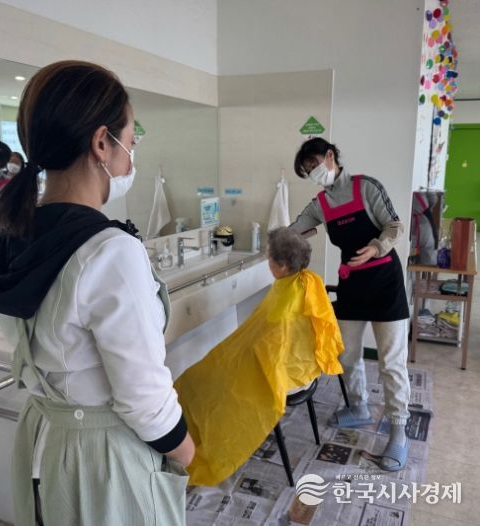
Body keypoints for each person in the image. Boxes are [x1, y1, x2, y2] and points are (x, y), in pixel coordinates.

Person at [0, 61, 194, 526]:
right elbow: (144, 399)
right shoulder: (110, 252)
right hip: (101, 460)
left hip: (42, 440)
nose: (130, 157)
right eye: (130, 142)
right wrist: (186, 450)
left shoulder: (16, 237)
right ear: (101, 143)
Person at [174, 228, 343, 486]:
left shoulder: (285, 304)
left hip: (286, 372)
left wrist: (236, 357)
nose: (267, 261)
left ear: (282, 266)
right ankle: (190, 434)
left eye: (269, 257)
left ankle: (201, 444)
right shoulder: (308, 281)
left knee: (200, 380)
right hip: (303, 364)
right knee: (206, 371)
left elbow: (271, 352)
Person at [289, 137, 411, 472]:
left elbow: (394, 225)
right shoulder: (321, 203)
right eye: (308, 170)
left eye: (314, 165)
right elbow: (296, 228)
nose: (313, 173)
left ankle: (398, 431)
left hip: (385, 283)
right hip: (353, 285)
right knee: (348, 354)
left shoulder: (365, 187)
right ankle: (358, 407)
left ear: (330, 156)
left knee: (391, 361)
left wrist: (376, 247)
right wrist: (277, 240)